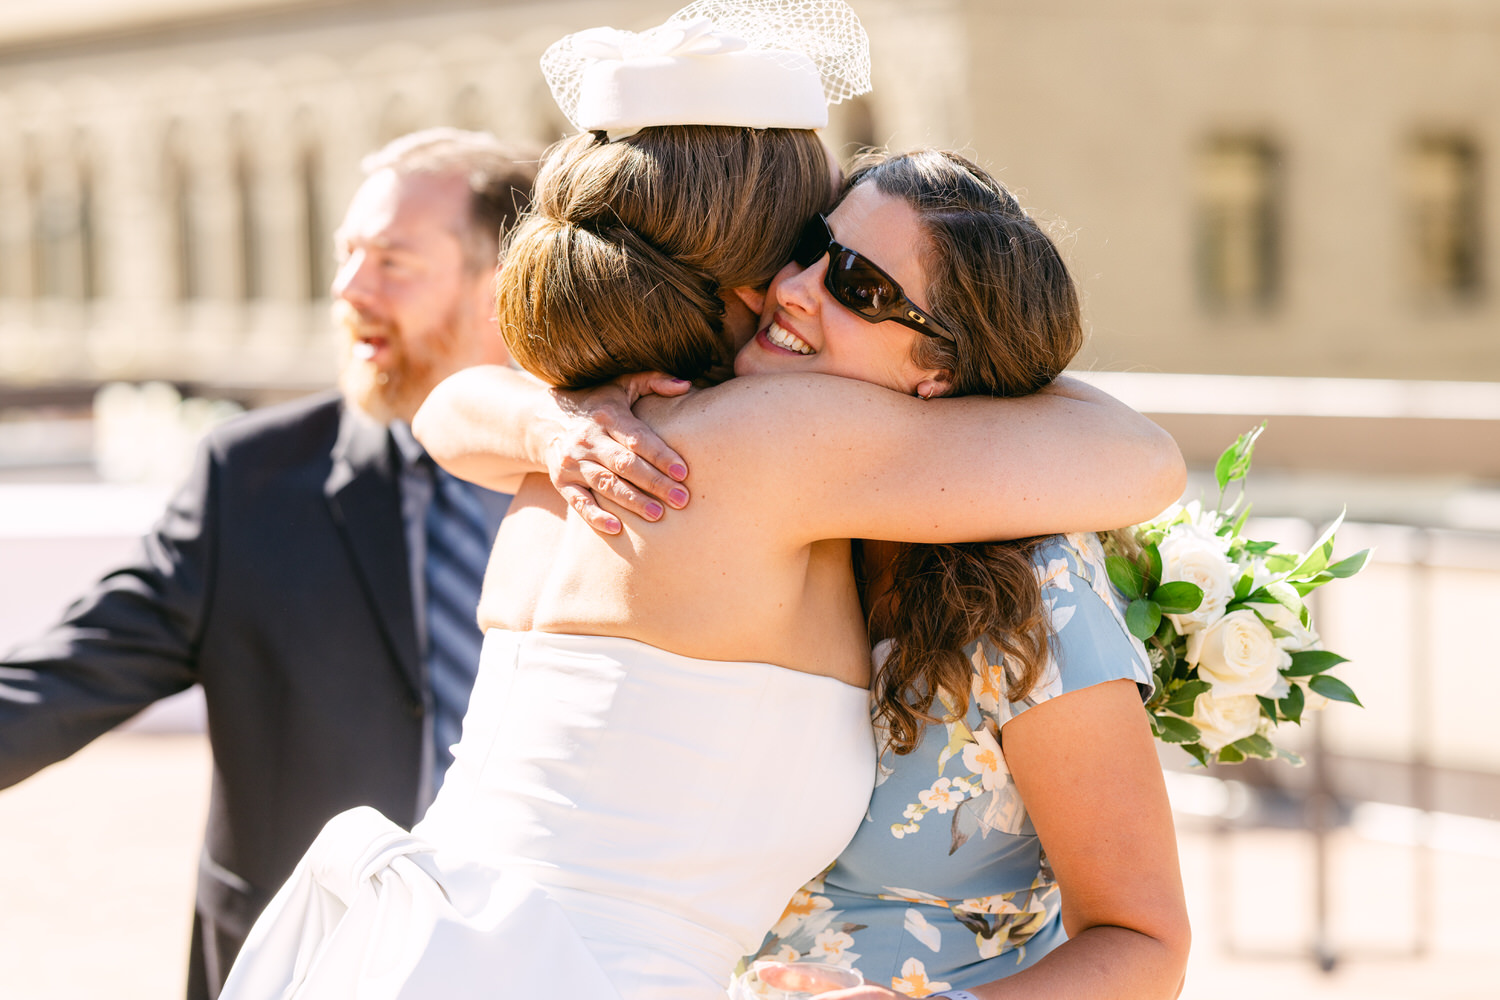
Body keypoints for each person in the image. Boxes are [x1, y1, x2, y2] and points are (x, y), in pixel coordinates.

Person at [219, 4, 1185, 1000]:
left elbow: (448, 408)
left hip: (427, 945)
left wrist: (547, 423)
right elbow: (1142, 459)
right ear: (750, 261)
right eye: (808, 245)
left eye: (846, 270)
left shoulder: (570, 447)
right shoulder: (773, 445)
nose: (802, 284)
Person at [0, 127, 538, 1000]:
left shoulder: (610, 467)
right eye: (347, 255)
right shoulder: (250, 481)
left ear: (503, 285)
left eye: (393, 262)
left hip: (542, 959)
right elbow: (62, 679)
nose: (347, 289)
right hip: (306, 965)